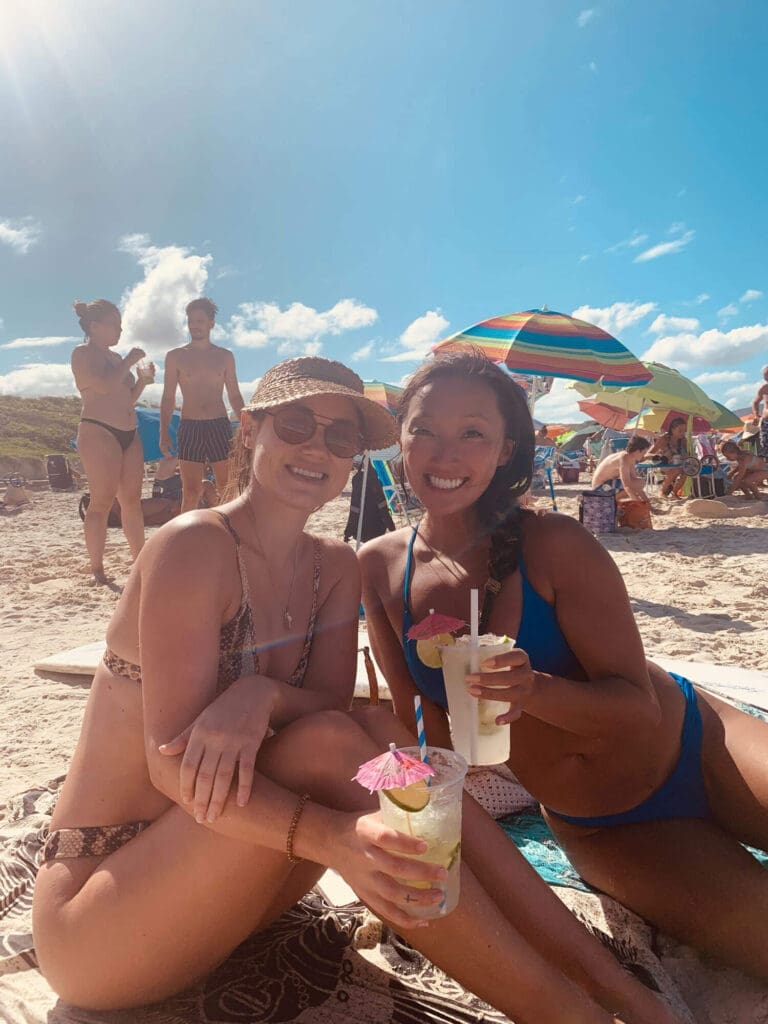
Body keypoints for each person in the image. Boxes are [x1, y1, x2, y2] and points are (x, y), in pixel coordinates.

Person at [33, 355, 672, 1024]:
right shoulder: (193, 545)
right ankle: (570, 1014)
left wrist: (264, 697)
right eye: (298, 424)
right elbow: (171, 766)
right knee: (337, 744)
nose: (318, 447)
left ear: (354, 460)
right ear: (250, 430)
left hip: (228, 883)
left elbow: (327, 711)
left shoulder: (335, 566)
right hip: (104, 918)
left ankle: (615, 989)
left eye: (340, 438)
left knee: (377, 743)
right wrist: (336, 838)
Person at [359, 349, 768, 982]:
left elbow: (638, 709)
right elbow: (418, 720)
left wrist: (533, 692)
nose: (445, 453)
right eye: (425, 430)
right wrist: (417, 816)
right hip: (601, 825)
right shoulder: (380, 566)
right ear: (400, 440)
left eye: (473, 432)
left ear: (503, 451)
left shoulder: (554, 544)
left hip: (697, 743)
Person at [70, 299, 155, 583]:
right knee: (101, 501)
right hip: (99, 430)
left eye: (120, 325)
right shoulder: (82, 354)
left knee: (132, 501)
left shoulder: (117, 359)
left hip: (128, 432)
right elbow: (104, 387)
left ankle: (140, 562)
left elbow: (128, 399)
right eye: (114, 325)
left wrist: (143, 380)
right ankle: (98, 569)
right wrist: (130, 360)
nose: (120, 330)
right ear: (94, 326)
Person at [160, 297, 244, 512]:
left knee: (227, 488)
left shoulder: (225, 356)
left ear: (211, 323)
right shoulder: (176, 356)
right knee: (190, 491)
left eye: (200, 320)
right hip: (190, 426)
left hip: (219, 425)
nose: (194, 325)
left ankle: (229, 536)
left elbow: (234, 394)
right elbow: (168, 397)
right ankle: (186, 540)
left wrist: (246, 422)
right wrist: (164, 432)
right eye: (191, 321)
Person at [343, 457, 396, 544]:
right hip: (377, 529)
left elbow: (354, 510)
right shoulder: (375, 483)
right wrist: (392, 527)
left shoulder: (358, 482)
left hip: (360, 531)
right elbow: (383, 509)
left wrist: (348, 532)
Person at [591, 435, 651, 500]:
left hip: (605, 485)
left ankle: (614, 502)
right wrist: (639, 503)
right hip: (599, 489)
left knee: (639, 482)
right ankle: (610, 501)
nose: (644, 455)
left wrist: (646, 502)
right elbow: (627, 486)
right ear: (637, 451)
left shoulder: (629, 457)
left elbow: (636, 483)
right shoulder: (624, 458)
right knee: (638, 483)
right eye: (644, 452)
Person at [647, 417, 688, 496]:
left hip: (677, 465)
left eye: (684, 431)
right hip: (662, 466)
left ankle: (674, 493)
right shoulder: (664, 439)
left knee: (686, 471)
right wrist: (662, 456)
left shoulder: (683, 440)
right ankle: (662, 491)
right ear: (672, 429)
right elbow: (649, 454)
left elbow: (686, 454)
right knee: (677, 470)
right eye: (680, 430)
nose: (683, 433)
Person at [750, 365, 768, 458]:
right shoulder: (764, 389)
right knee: (765, 446)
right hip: (766, 420)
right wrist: (756, 414)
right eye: (765, 376)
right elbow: (755, 402)